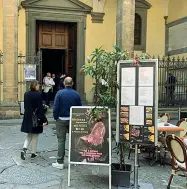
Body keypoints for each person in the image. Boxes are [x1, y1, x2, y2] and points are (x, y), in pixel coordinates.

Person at [52, 77, 82, 169]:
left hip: (61, 119)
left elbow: (55, 107)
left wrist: (56, 117)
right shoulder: (76, 94)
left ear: (64, 83)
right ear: (72, 83)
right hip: (73, 119)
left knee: (61, 140)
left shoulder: (59, 93)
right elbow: (80, 107)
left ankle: (60, 162)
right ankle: (75, 160)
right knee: (74, 140)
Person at [21, 80, 48, 160]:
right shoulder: (39, 94)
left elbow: (26, 106)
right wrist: (44, 118)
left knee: (29, 134)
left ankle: (24, 148)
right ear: (35, 85)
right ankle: (33, 153)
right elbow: (40, 108)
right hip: (36, 117)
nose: (39, 86)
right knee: (35, 135)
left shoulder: (26, 94)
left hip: (28, 117)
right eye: (38, 85)